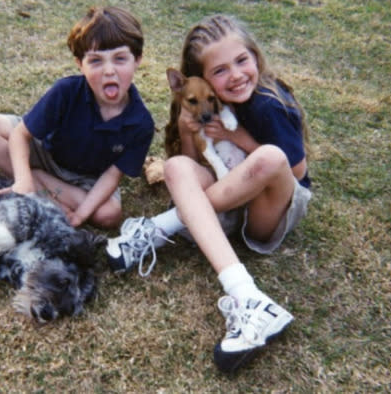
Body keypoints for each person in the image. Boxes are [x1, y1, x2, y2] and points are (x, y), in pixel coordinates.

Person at [106, 14, 312, 372]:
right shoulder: (203, 102)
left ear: (255, 57)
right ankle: (248, 298)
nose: (234, 75)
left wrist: (233, 137)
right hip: (228, 199)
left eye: (241, 61)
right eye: (219, 71)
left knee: (269, 156)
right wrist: (188, 133)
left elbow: (294, 171)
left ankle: (165, 228)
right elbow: (191, 164)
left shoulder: (267, 102)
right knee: (174, 168)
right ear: (201, 80)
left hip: (272, 207)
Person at [0, 6, 154, 228]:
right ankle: (30, 181)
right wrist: (22, 178)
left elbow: (111, 176)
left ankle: (39, 185)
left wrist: (79, 216)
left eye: (120, 59)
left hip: (87, 180)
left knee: (109, 216)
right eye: (96, 61)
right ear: (80, 64)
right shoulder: (66, 91)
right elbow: (21, 134)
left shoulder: (142, 123)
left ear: (137, 59)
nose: (108, 71)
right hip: (48, 155)